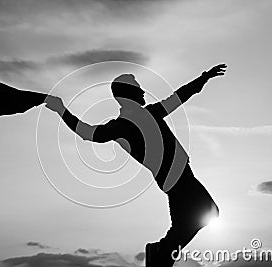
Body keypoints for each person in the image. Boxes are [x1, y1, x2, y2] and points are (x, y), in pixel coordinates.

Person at [45, 64, 227, 266]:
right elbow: (88, 133)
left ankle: (161, 251)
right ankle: (161, 251)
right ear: (129, 94)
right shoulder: (123, 125)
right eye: (138, 88)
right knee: (205, 213)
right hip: (175, 178)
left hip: (178, 176)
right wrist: (61, 110)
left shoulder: (149, 113)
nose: (142, 92)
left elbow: (179, 96)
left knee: (193, 220)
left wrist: (204, 78)